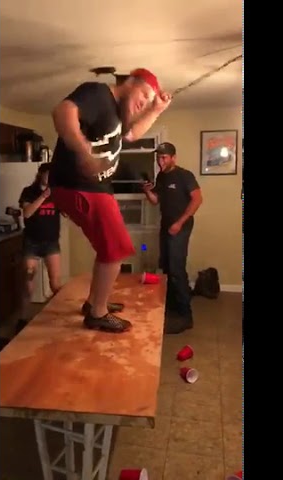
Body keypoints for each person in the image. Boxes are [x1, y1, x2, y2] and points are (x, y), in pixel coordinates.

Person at [49, 68, 171, 333]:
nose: (144, 102)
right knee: (117, 249)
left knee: (108, 251)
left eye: (149, 100)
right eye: (144, 95)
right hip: (80, 185)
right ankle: (98, 314)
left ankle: (94, 303)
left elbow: (132, 135)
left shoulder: (115, 116)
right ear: (130, 82)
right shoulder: (98, 93)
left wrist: (156, 110)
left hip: (96, 189)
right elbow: (62, 112)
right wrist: (83, 152)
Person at [142, 142, 203, 334]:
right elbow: (155, 201)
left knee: (177, 269)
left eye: (164, 157)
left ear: (173, 158)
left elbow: (197, 199)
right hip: (166, 226)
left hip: (180, 227)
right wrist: (147, 191)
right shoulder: (161, 177)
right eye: (158, 158)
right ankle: (172, 309)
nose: (160, 161)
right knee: (167, 267)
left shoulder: (185, 175)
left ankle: (186, 317)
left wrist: (179, 223)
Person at [18, 163, 62, 298]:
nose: (50, 178)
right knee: (28, 279)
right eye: (48, 174)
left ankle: (57, 308)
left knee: (55, 283)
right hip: (31, 242)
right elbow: (27, 213)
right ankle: (25, 311)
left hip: (51, 242)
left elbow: (66, 212)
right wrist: (43, 196)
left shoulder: (57, 193)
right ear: (40, 174)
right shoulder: (28, 192)